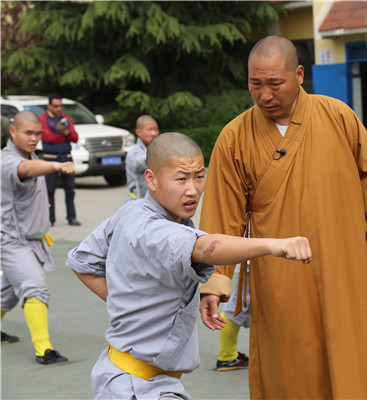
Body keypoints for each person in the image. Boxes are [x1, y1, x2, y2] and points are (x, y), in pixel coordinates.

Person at [199, 35, 367, 399]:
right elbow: (222, 217)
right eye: (255, 84)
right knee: (290, 365)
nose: (264, 95)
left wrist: (348, 241)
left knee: (355, 360)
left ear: (299, 74)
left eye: (275, 83)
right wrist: (216, 279)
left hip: (343, 270)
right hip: (280, 278)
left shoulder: (338, 116)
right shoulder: (234, 137)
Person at [66, 132, 312, 399]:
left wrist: (133, 301)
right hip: (138, 385)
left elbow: (82, 261)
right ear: (152, 179)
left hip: (132, 377)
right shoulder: (155, 229)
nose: (193, 189)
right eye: (181, 178)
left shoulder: (131, 211)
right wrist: (272, 245)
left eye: (199, 176)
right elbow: (205, 247)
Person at [1, 110, 74, 364]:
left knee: (6, 294)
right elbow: (25, 170)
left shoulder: (31, 155)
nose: (33, 138)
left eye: (37, 134)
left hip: (30, 241)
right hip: (11, 242)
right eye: (28, 133)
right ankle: (44, 350)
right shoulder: (9, 160)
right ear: (13, 132)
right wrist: (55, 165)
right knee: (35, 288)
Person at [40, 94, 81, 226]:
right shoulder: (42, 119)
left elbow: (75, 138)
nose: (59, 108)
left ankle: (72, 217)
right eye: (55, 106)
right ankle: (50, 219)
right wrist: (64, 134)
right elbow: (48, 138)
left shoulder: (66, 119)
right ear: (49, 106)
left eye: (60, 106)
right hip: (50, 159)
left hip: (66, 158)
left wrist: (66, 132)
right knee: (49, 191)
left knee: (70, 190)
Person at [215, 263, 250, 371]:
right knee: (237, 307)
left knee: (239, 306)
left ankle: (227, 355)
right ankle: (227, 356)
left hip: (261, 259)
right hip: (257, 261)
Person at [125, 115, 159, 202]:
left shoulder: (156, 149)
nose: (153, 133)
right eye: (150, 129)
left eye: (155, 129)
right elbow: (139, 162)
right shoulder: (133, 153)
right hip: (137, 202)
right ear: (138, 132)